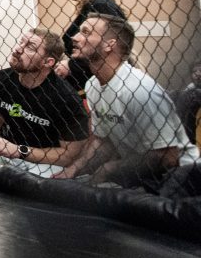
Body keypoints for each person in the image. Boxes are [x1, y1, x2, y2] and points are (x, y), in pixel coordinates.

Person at [56, 14, 199, 187]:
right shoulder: (93, 85)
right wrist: (73, 170)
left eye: (86, 32)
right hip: (140, 174)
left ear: (110, 45)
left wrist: (110, 169)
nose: (75, 37)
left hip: (182, 177)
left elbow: (168, 156)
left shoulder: (139, 89)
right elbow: (104, 141)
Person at [0, 29, 90, 176]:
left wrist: (20, 150)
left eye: (30, 47)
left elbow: (68, 155)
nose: (18, 49)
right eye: (21, 42)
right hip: (11, 154)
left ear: (47, 62)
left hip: (48, 163)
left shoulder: (65, 98)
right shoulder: (2, 78)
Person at [55, 0, 125, 95]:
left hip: (99, 83)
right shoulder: (93, 6)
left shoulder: (100, 5)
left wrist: (71, 66)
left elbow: (105, 50)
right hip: (92, 83)